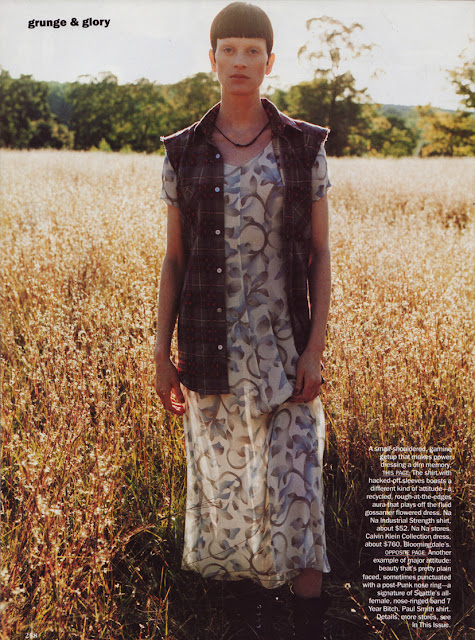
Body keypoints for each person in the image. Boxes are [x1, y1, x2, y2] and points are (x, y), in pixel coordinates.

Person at [154, 3, 332, 638]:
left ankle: (310, 624)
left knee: (299, 491)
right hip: (211, 353)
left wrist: (314, 351)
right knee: (226, 503)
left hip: (286, 354)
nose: (240, 61)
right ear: (212, 59)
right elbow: (175, 260)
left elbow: (320, 255)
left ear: (269, 62)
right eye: (228, 49)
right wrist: (160, 356)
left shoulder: (303, 146)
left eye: (252, 50)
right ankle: (240, 625)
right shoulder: (182, 153)